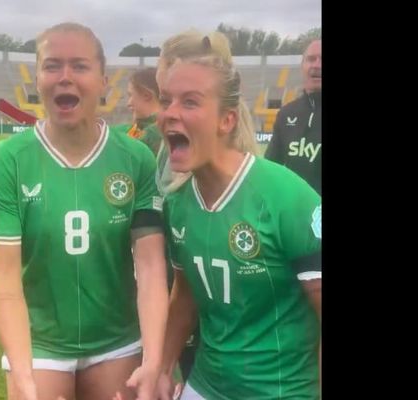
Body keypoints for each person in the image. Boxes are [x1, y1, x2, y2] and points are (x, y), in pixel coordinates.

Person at [0, 22, 168, 400]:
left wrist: (154, 361)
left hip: (117, 339)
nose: (65, 77)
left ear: (103, 81)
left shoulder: (136, 159)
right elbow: (4, 278)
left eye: (79, 66)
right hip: (40, 344)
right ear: (37, 78)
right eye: (52, 66)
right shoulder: (7, 161)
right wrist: (23, 374)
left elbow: (149, 267)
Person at [154, 32, 322, 399]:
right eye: (166, 101)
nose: (169, 113)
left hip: (281, 391)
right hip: (206, 384)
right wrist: (162, 370)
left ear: (227, 120)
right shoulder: (178, 202)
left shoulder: (288, 198)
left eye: (190, 102)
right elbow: (185, 294)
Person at [265, 39, 321, 194]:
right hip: (293, 213)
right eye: (311, 59)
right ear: (303, 66)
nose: (316, 65)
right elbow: (270, 168)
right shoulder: (286, 114)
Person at [125, 67, 162, 156]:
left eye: (131, 95)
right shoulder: (138, 128)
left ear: (146, 95)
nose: (128, 103)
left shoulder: (153, 133)